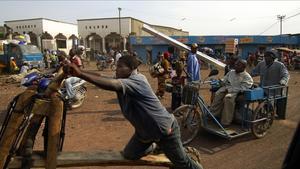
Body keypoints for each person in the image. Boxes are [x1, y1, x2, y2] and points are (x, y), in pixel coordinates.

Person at [63, 54, 203, 169]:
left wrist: (80, 73)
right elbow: (101, 76)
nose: (116, 69)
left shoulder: (137, 81)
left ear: (131, 69)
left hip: (165, 131)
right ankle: (155, 145)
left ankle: (168, 148)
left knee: (183, 163)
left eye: (120, 66)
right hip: (145, 133)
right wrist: (77, 72)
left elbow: (111, 85)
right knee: (129, 155)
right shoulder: (124, 77)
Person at [210, 59, 253, 127]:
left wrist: (229, 90)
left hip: (236, 92)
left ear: (243, 67)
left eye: (238, 65)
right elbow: (225, 79)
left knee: (228, 99)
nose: (235, 66)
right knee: (217, 94)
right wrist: (221, 81)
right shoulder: (231, 72)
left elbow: (243, 88)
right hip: (227, 88)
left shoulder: (247, 77)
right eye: (235, 64)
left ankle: (225, 122)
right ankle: (214, 115)